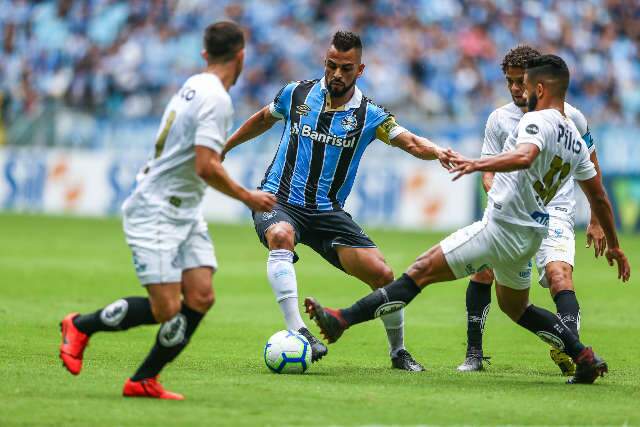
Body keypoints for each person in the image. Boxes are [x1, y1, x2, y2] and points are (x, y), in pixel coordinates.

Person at [304, 54, 631, 384]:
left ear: (542, 88)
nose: (522, 92)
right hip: (531, 233)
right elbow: (599, 195)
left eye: (528, 86)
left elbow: (525, 155)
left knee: (419, 272)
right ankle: (584, 356)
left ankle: (341, 320)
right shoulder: (574, 138)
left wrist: (477, 164)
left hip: (501, 229)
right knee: (516, 308)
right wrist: (615, 246)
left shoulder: (535, 121)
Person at [58, 21, 276, 400]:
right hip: (156, 208)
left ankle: (144, 379)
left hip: (184, 209)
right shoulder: (217, 99)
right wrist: (248, 197)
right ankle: (80, 325)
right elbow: (205, 166)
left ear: (205, 54)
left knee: (201, 296)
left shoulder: (195, 84)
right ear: (241, 56)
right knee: (166, 308)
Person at [221, 31, 452, 371]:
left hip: (327, 212)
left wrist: (438, 152)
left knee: (383, 274)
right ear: (324, 63)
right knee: (280, 237)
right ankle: (299, 330)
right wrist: (226, 146)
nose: (337, 74)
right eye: (332, 66)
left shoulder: (369, 114)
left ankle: (398, 352)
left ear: (360, 70)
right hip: (280, 200)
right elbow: (262, 118)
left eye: (346, 68)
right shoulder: (295, 93)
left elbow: (411, 142)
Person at [458, 45, 606, 375]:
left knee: (559, 277)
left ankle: (572, 349)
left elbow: (592, 167)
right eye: (508, 82)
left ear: (536, 82)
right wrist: (496, 193)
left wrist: (596, 220)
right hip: (510, 211)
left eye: (519, 82)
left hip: (554, 210)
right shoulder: (498, 119)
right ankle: (474, 354)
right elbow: (489, 173)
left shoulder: (573, 116)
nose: (514, 89)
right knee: (482, 270)